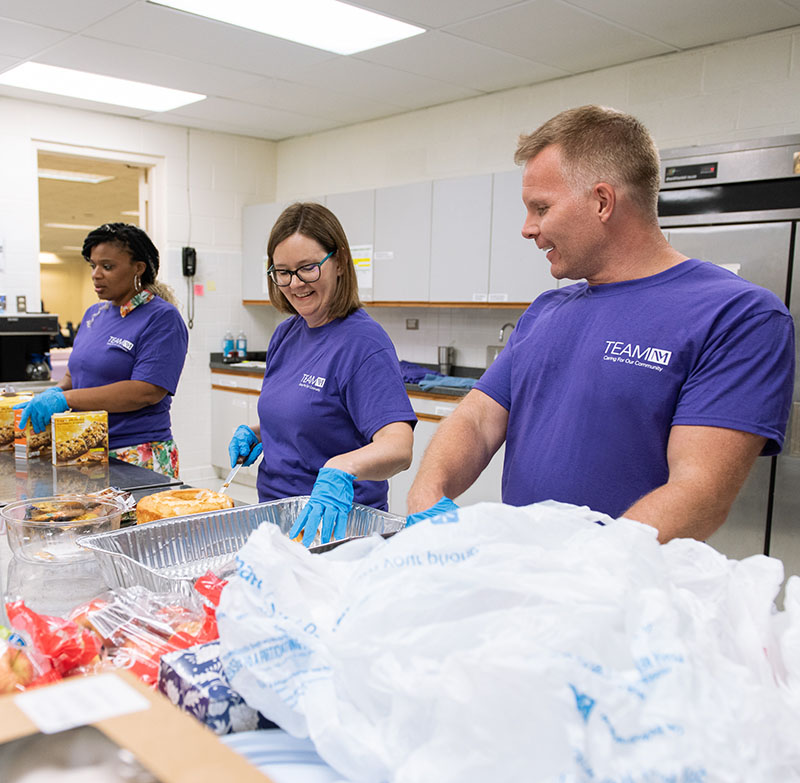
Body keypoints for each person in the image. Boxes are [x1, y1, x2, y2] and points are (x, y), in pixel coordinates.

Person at [406, 105, 795, 543]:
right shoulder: (546, 312)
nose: (527, 229)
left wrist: (582, 571)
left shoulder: (738, 316)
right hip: (526, 578)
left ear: (602, 201)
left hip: (623, 593)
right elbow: (478, 419)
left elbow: (698, 492)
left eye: (541, 208)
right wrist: (428, 491)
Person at [228, 202, 415, 546]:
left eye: (307, 268)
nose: (295, 283)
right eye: (282, 272)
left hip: (336, 530)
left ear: (340, 261)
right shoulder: (287, 334)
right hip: (276, 517)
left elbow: (399, 446)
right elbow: (316, 414)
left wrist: (343, 467)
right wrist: (260, 431)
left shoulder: (363, 344)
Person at [15, 223, 188, 477]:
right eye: (93, 265)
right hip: (88, 449)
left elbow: (146, 391)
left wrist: (66, 400)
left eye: (107, 266)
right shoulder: (95, 314)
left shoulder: (162, 318)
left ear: (138, 268)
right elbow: (75, 376)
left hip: (137, 454)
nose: (96, 274)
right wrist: (54, 392)